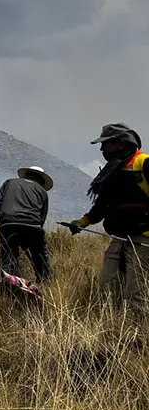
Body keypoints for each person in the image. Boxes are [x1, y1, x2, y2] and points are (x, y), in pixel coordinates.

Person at [67, 123, 149, 312]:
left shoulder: (144, 163)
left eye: (106, 144)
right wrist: (85, 220)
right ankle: (112, 329)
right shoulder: (113, 170)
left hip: (143, 239)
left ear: (120, 143)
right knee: (107, 286)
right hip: (118, 237)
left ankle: (136, 337)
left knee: (136, 291)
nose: (102, 149)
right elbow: (104, 203)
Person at [0, 166, 53, 283]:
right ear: (41, 180)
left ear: (27, 174)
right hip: (32, 226)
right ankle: (44, 283)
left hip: (8, 224)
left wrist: (5, 217)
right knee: (38, 257)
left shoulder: (9, 183)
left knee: (9, 258)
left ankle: (10, 285)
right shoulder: (42, 191)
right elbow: (42, 217)